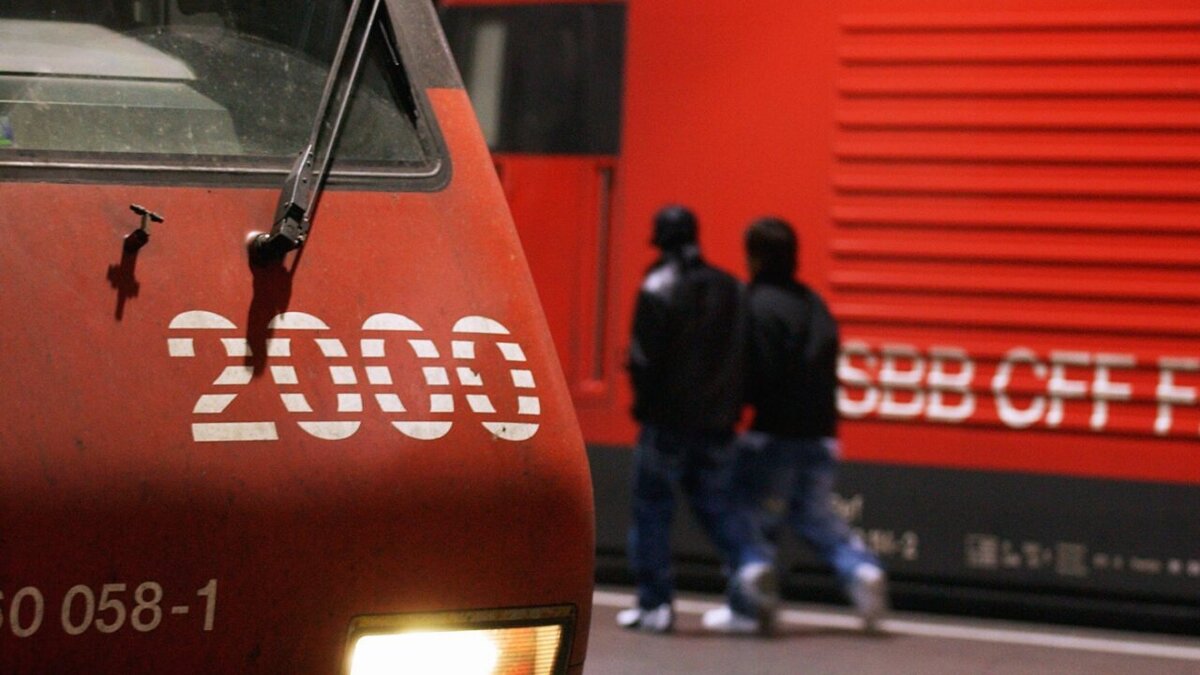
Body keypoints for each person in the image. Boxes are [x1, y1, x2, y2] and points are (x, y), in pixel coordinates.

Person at [703, 216, 888, 634]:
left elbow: (751, 371)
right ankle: (860, 569)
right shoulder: (814, 304)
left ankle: (747, 607)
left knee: (747, 518)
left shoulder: (753, 303)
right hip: (821, 435)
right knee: (814, 516)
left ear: (755, 256)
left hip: (773, 434)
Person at [617, 205, 774, 634]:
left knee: (652, 511)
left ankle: (655, 605)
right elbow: (749, 355)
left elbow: (644, 359)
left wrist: (643, 406)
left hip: (666, 423)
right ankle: (749, 567)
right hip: (718, 424)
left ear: (660, 240)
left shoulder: (657, 285)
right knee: (720, 508)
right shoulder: (732, 287)